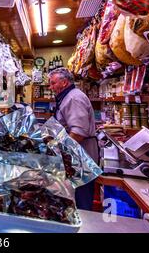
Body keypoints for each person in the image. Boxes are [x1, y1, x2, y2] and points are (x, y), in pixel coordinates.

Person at [48, 67, 99, 211]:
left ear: (64, 83)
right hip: (76, 156)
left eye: (53, 83)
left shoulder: (73, 98)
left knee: (82, 199)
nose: (50, 87)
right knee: (77, 195)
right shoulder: (68, 96)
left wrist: (59, 152)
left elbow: (78, 133)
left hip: (81, 157)